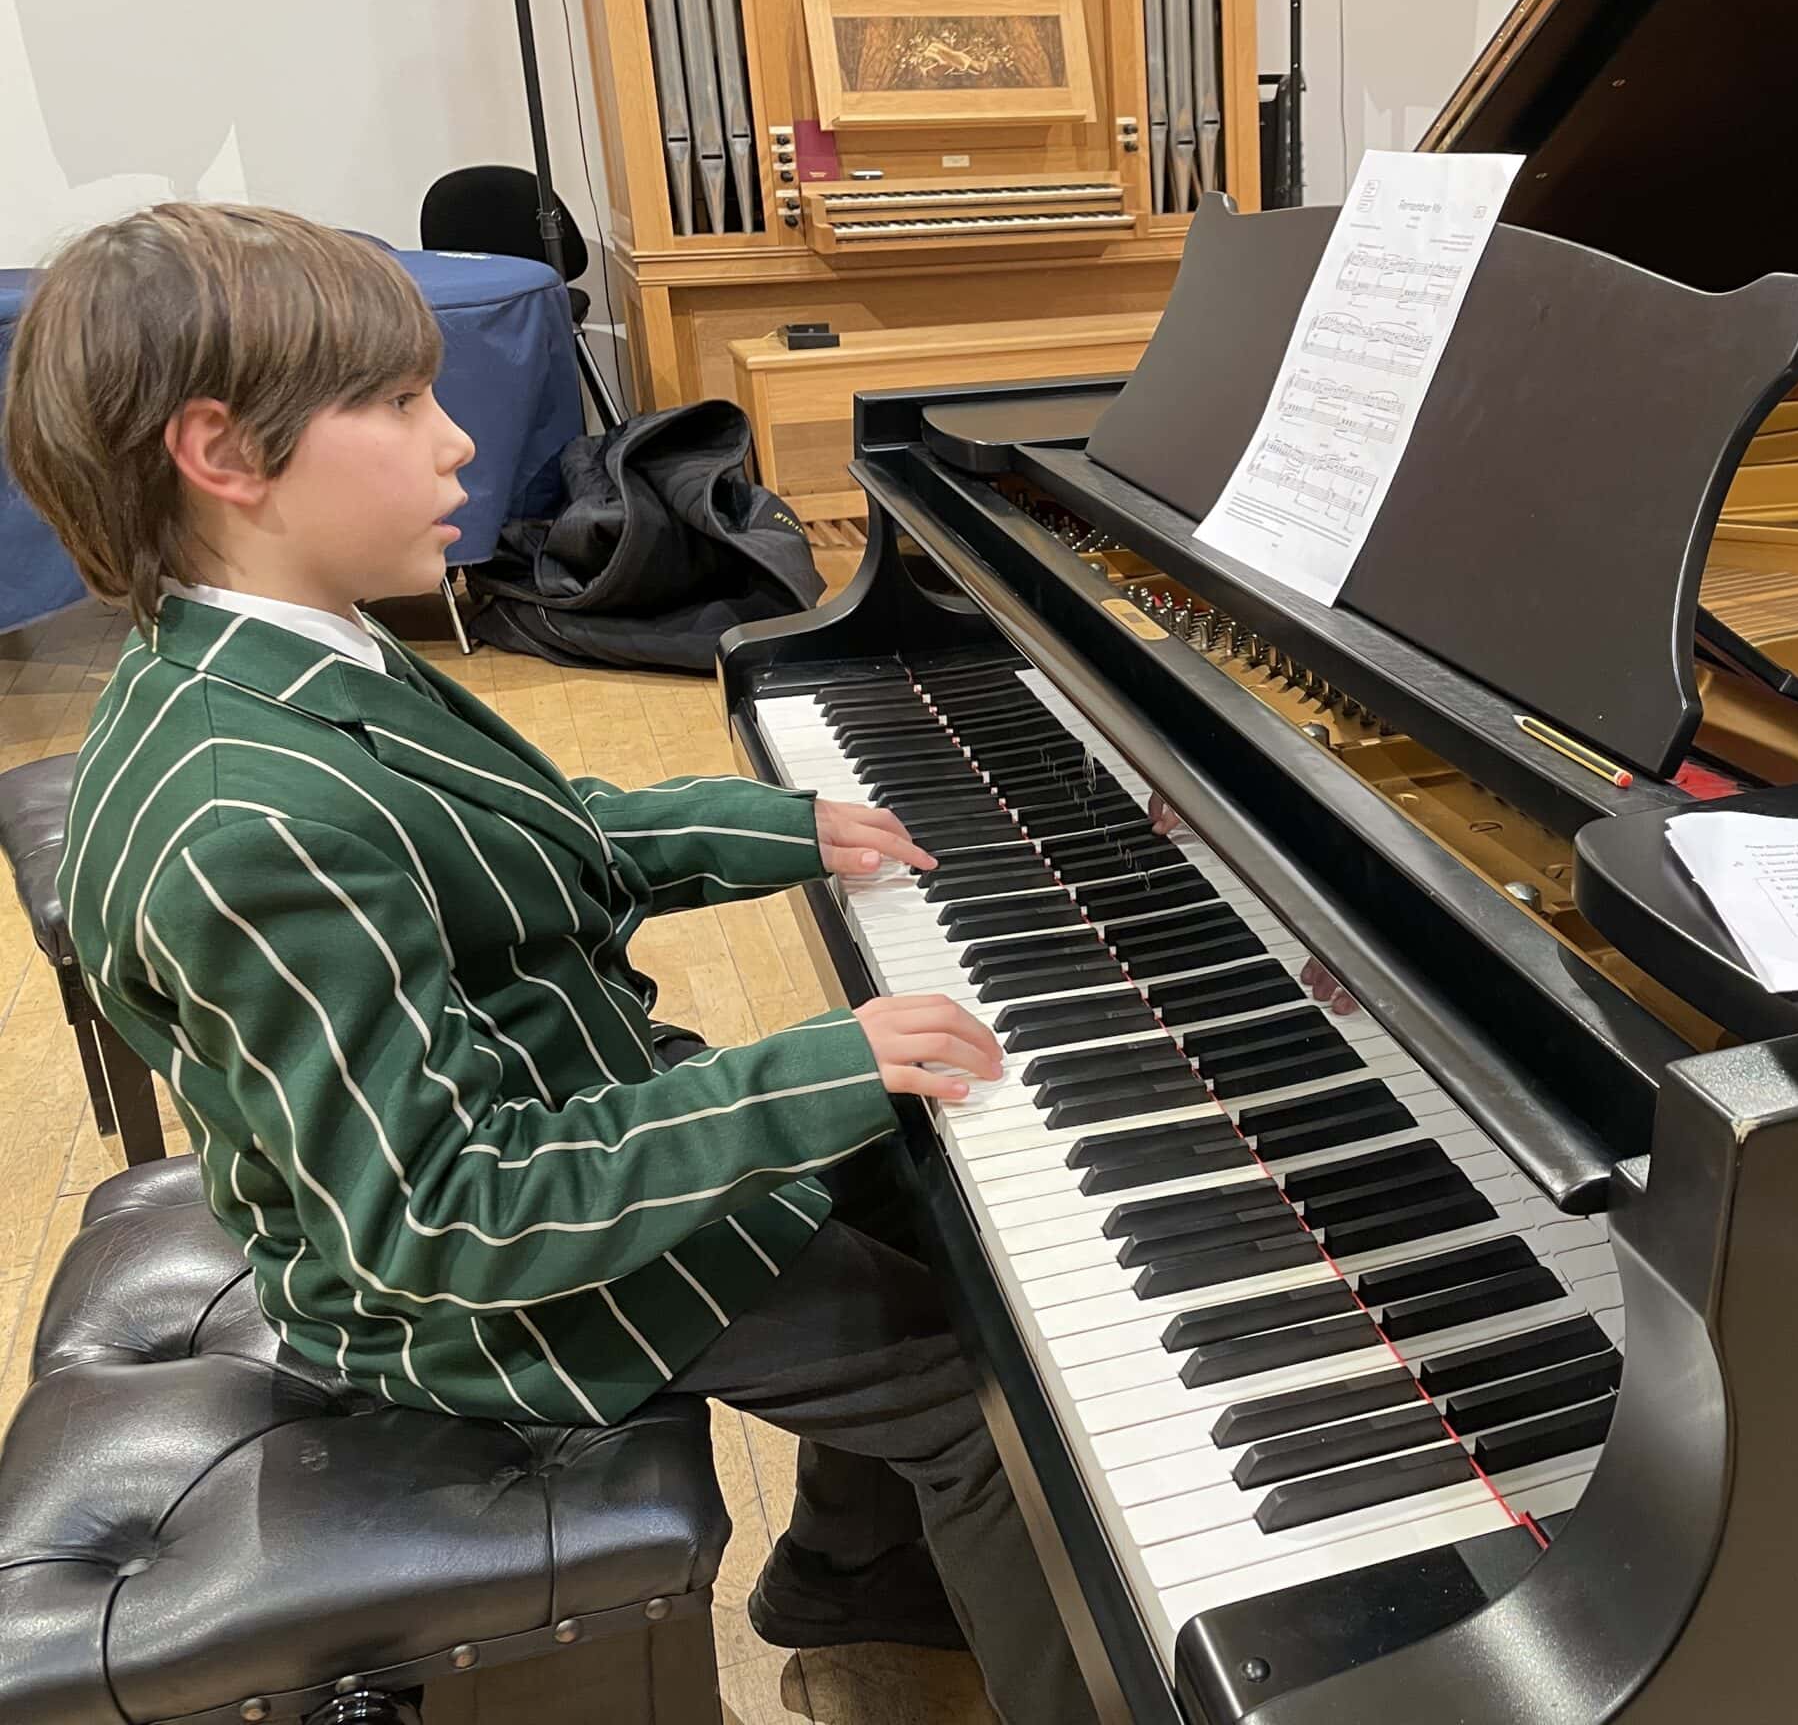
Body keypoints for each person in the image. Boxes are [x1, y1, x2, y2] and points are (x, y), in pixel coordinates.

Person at [1, 202, 1096, 1724]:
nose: (458, 443)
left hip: (546, 1114)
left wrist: (776, 826)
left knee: (924, 1184)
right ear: (225, 456)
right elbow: (437, 1215)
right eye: (397, 404)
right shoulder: (245, 822)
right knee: (985, 1391)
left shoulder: (284, 653)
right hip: (458, 1288)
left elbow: (523, 839)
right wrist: (814, 1065)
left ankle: (853, 1586)